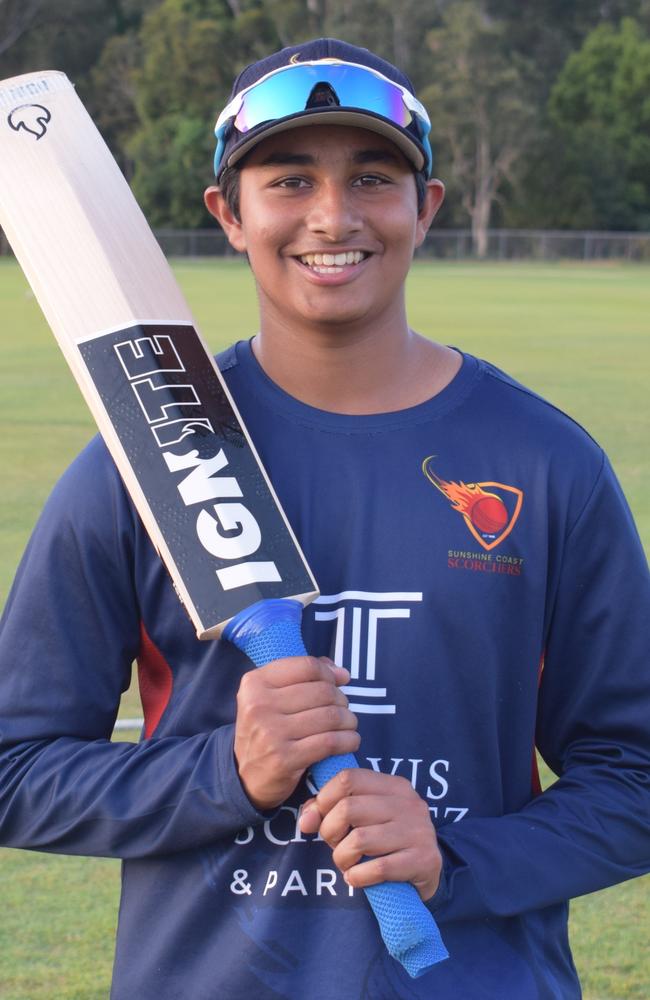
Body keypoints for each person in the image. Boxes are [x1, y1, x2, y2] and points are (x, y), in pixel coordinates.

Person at [0, 36, 649, 1000]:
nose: (333, 216)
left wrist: (454, 863)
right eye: (290, 180)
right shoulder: (138, 465)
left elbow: (635, 778)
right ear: (229, 212)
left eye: (373, 178)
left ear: (424, 208)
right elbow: (16, 770)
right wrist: (226, 772)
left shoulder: (546, 465)